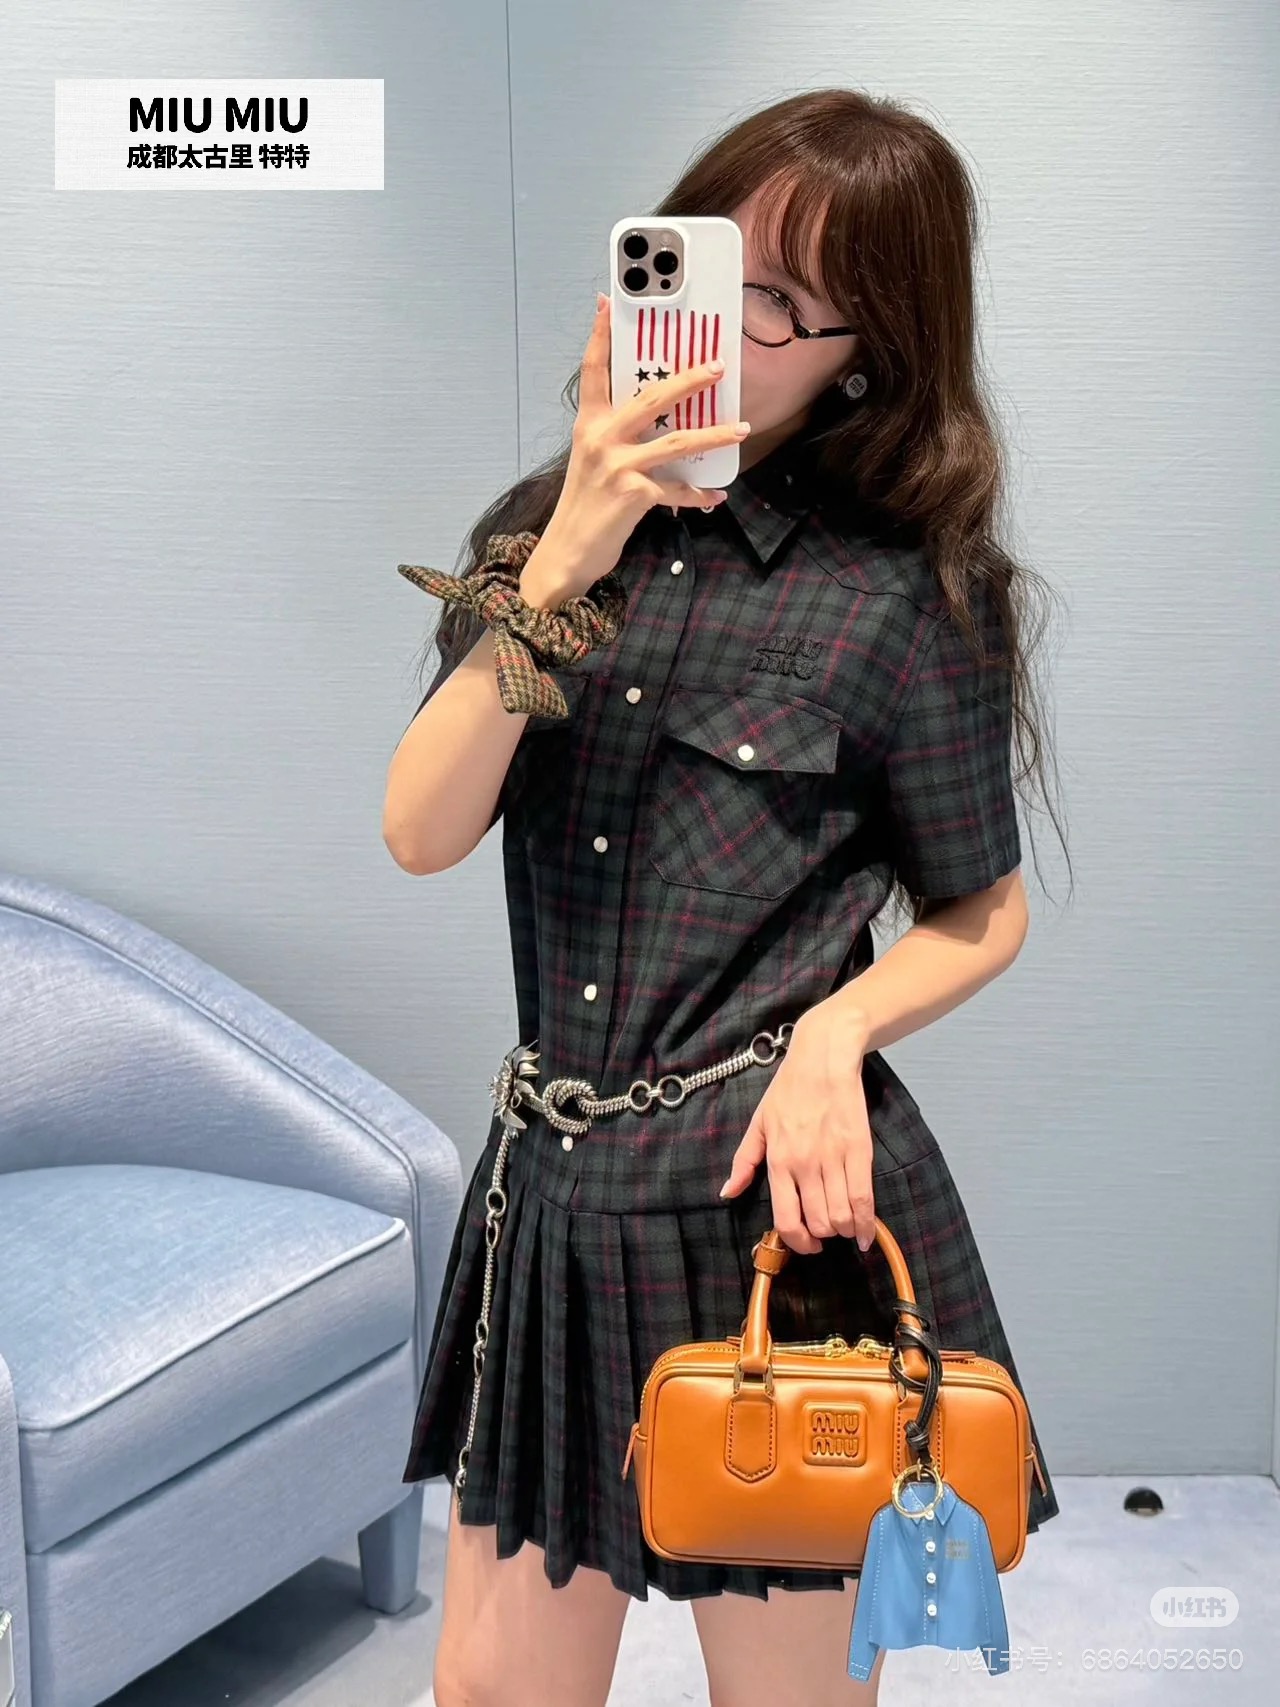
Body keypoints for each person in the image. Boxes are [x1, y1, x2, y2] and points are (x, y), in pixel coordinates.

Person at [384, 85, 1069, 1707]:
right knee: (491, 1692)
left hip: (775, 1205)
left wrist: (836, 1034)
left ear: (863, 354)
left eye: (780, 304)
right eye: (705, 266)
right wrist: (570, 556)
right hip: (557, 1196)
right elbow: (421, 827)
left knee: (791, 1699)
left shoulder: (907, 599)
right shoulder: (540, 537)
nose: (723, 325)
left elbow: (985, 910)